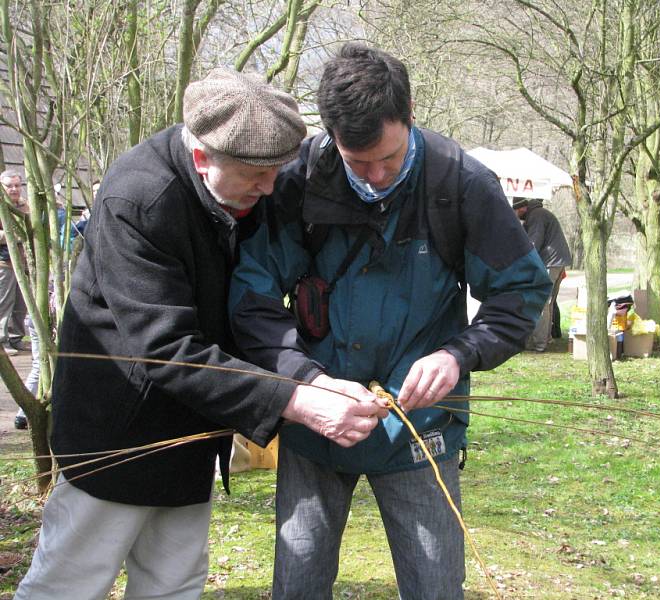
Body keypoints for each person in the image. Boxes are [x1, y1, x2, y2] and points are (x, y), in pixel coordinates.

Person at [15, 68, 387, 600]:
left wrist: (311, 379)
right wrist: (297, 400)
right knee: (69, 584)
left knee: (174, 586)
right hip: (117, 435)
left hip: (191, 432)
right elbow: (164, 348)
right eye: (254, 176)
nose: (269, 188)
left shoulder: (247, 189)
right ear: (200, 157)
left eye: (276, 172)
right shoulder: (139, 200)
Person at [230, 44, 552, 599]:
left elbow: (520, 291)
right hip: (317, 421)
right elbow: (251, 296)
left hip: (419, 426)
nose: (377, 177)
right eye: (358, 163)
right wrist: (305, 382)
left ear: (408, 117)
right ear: (330, 136)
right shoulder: (298, 182)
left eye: (390, 157)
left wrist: (459, 354)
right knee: (298, 582)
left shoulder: (461, 184)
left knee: (435, 585)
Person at [513, 197, 572, 352]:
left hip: (550, 262)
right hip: (558, 261)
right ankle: (547, 338)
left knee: (541, 301)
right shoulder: (539, 214)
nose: (516, 215)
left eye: (516, 211)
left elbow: (533, 244)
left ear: (522, 208)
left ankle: (539, 344)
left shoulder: (536, 216)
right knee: (549, 302)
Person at [0, 170, 28, 358]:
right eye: (9, 186)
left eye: (17, 185)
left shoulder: (25, 206)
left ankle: (16, 338)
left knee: (21, 303)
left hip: (24, 263)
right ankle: (2, 341)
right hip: (4, 263)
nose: (14, 189)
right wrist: (13, 235)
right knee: (4, 303)